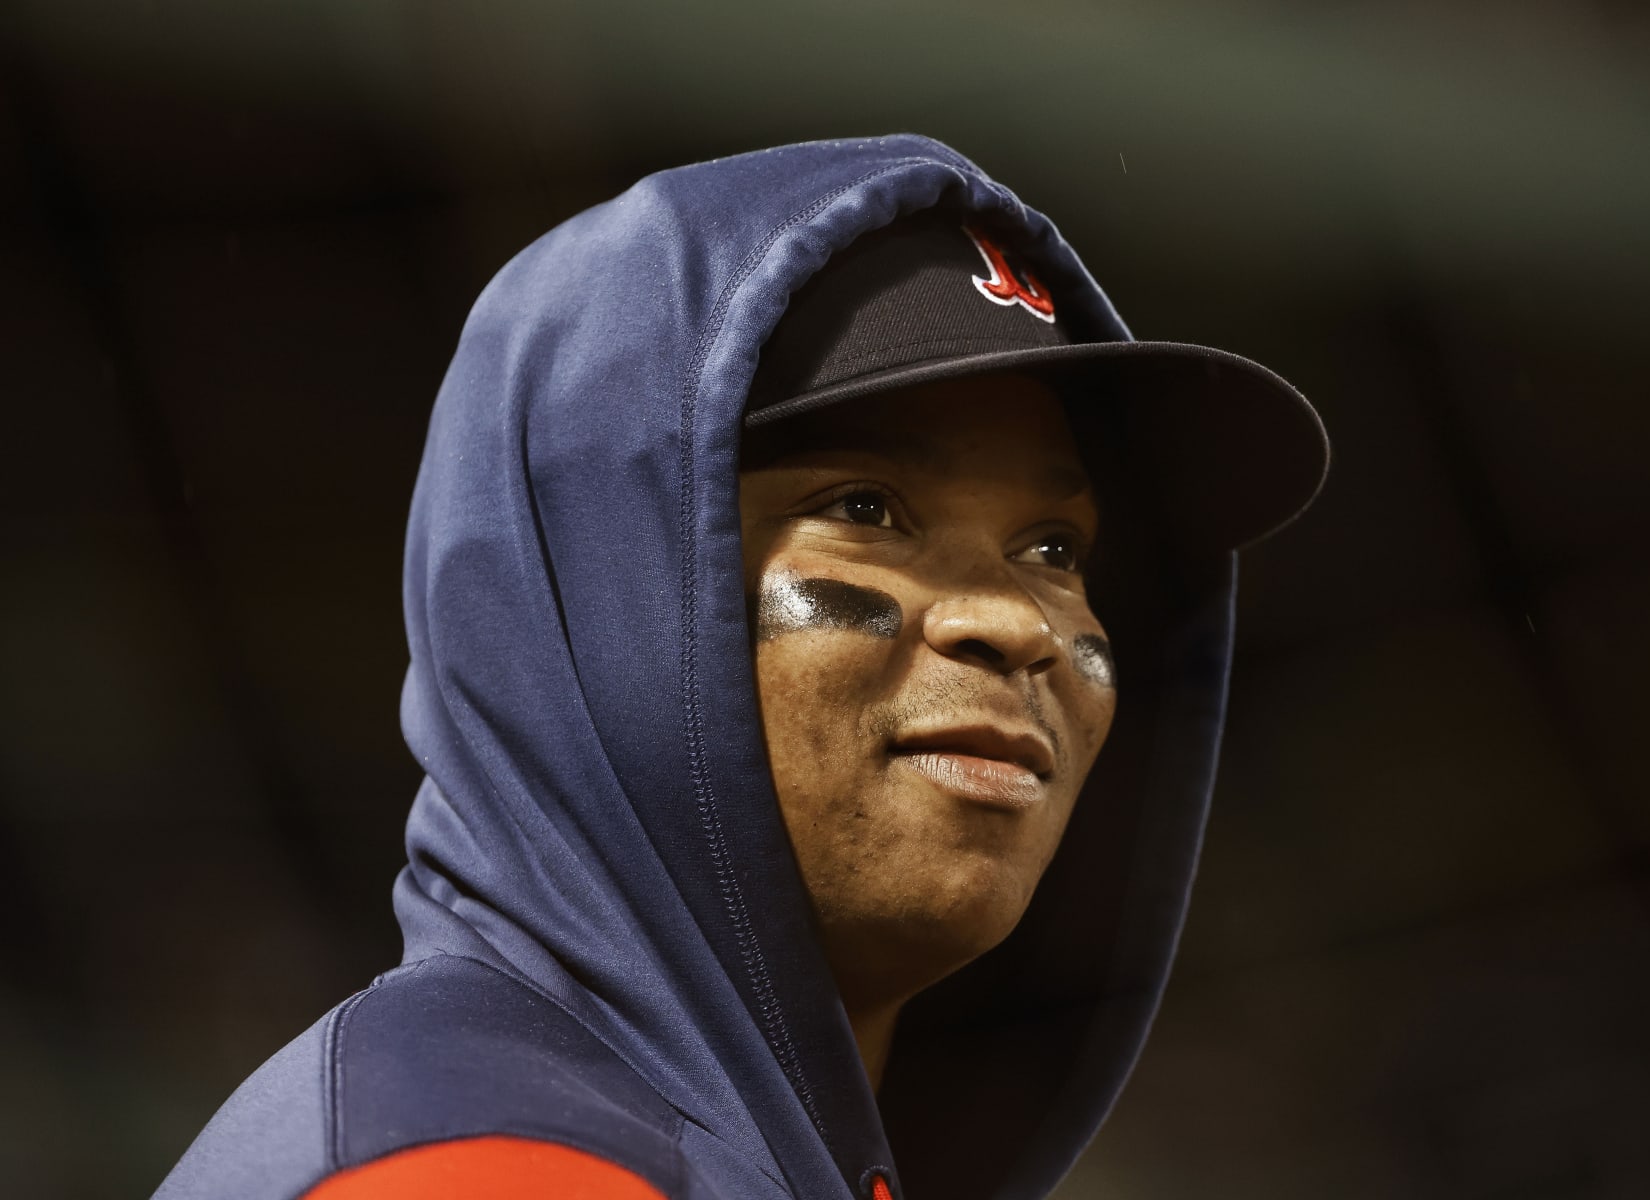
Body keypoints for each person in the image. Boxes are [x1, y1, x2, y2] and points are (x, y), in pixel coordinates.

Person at [153, 134, 1328, 1200]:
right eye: (866, 507)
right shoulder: (480, 1172)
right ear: (609, 588)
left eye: (1054, 549)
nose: (1011, 622)